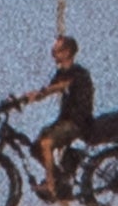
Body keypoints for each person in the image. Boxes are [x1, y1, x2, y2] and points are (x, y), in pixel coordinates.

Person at [6, 32, 98, 197]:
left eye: (57, 50)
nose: (53, 52)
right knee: (35, 148)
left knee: (46, 143)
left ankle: (51, 186)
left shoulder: (77, 72)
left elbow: (56, 87)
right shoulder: (61, 73)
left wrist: (37, 94)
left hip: (77, 122)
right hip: (65, 121)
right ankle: (59, 178)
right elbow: (44, 92)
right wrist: (21, 99)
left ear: (67, 52)